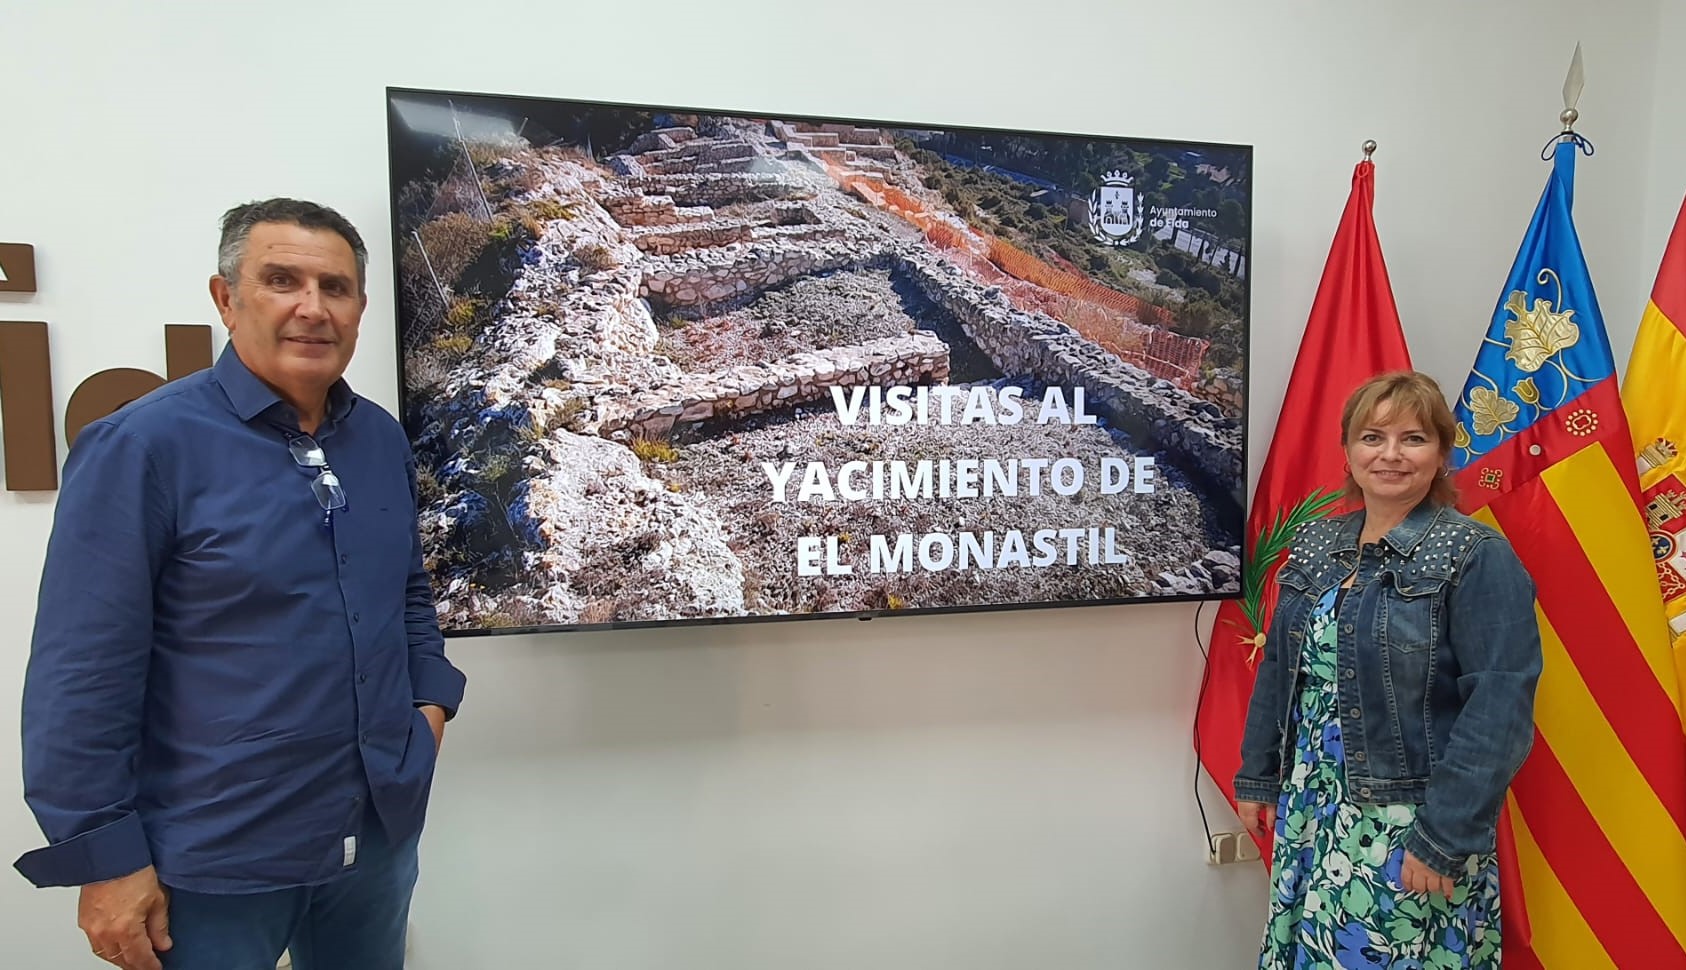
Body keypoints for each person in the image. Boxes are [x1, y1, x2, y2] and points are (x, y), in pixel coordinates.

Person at [15, 199, 466, 970]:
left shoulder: (380, 438)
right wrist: (105, 859)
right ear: (226, 299)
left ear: (360, 307)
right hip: (214, 858)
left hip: (377, 834)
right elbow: (80, 669)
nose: (311, 308)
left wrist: (429, 709)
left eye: (335, 287)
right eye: (281, 280)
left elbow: (408, 593)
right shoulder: (143, 447)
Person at [1234, 370, 1542, 968]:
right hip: (1312, 810)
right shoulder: (1320, 543)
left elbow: (1500, 706)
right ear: (1348, 452)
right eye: (1373, 437)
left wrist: (1445, 835)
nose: (1392, 455)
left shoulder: (1475, 555)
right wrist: (1258, 774)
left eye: (1414, 438)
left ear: (1443, 454)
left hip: (1411, 822)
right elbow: (1279, 669)